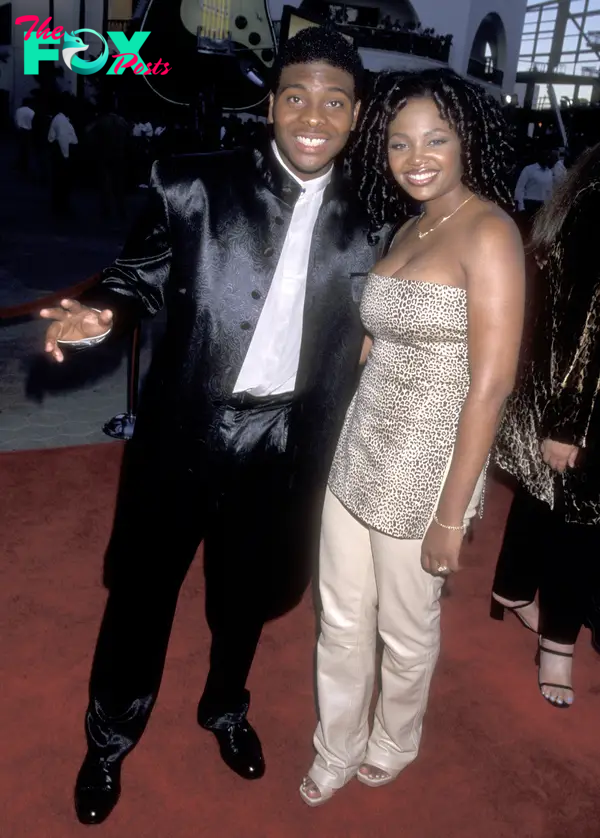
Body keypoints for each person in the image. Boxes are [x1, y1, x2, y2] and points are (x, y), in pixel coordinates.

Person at [40, 27, 386, 825]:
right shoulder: (191, 184)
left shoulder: (373, 219)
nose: (312, 115)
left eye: (334, 102)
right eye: (295, 95)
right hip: (186, 431)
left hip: (289, 445)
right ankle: (108, 740)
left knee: (248, 596)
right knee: (142, 595)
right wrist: (103, 313)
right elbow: (136, 277)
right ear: (270, 104)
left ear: (356, 115)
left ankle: (225, 708)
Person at [299, 69, 525, 806]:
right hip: (358, 446)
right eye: (399, 142)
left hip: (425, 466)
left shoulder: (490, 232)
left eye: (435, 139)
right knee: (338, 615)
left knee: (403, 626)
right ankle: (335, 743)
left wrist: (452, 515)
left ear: (467, 143)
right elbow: (375, 340)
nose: (415, 156)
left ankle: (394, 738)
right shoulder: (409, 224)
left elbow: (489, 387)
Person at [491, 143, 600, 709]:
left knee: (543, 496)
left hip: (565, 389)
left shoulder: (583, 193)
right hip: (580, 397)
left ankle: (510, 587)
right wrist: (568, 422)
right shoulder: (596, 199)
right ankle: (559, 644)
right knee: (581, 521)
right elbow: (581, 315)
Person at [47, 96, 79, 215]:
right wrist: (66, 155)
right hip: (62, 153)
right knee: (63, 181)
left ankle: (60, 205)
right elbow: (63, 138)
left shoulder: (62, 119)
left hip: (61, 152)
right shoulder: (61, 120)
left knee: (61, 181)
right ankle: (61, 207)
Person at [514, 149, 554, 218]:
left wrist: (549, 208)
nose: (547, 157)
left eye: (548, 156)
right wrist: (521, 207)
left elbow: (549, 191)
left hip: (542, 207)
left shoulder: (549, 172)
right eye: (545, 155)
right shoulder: (529, 169)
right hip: (529, 205)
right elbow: (520, 188)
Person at [14, 98, 35, 174]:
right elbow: (33, 123)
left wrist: (17, 127)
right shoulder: (32, 112)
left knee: (19, 147)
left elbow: (15, 120)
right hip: (28, 131)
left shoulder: (18, 110)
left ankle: (19, 164)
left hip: (19, 130)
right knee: (27, 148)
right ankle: (25, 165)